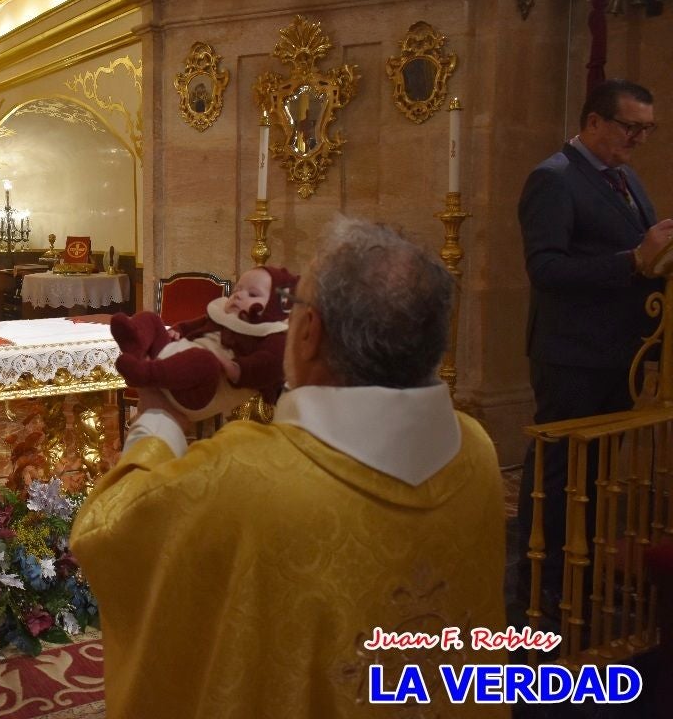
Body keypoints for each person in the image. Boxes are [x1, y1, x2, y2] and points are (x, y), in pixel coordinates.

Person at [71, 217, 507, 719]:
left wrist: (159, 421)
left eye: (295, 305)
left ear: (308, 332)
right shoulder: (477, 452)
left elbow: (107, 532)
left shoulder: (241, 475)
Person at [517, 78, 673, 604]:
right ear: (593, 122)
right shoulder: (554, 178)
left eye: (647, 130)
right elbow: (546, 270)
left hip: (619, 356)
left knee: (595, 486)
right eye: (630, 127)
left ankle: (580, 593)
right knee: (560, 486)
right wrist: (633, 261)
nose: (638, 139)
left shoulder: (624, 178)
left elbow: (639, 258)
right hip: (572, 358)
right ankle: (540, 598)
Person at [109, 265, 296, 421]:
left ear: (275, 308)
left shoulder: (272, 335)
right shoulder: (221, 315)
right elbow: (191, 325)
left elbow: (270, 364)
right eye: (238, 289)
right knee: (151, 319)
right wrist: (177, 331)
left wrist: (235, 368)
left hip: (195, 392)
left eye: (252, 294)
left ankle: (143, 373)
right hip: (173, 358)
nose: (238, 295)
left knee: (205, 360)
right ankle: (134, 349)